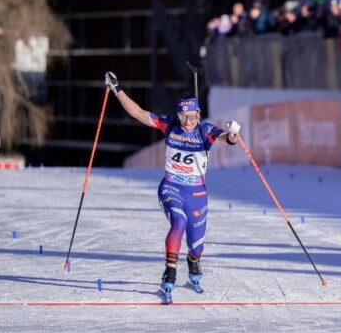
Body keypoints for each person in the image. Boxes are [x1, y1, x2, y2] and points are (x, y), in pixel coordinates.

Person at [103, 71, 242, 297]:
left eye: (191, 116)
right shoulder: (169, 124)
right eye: (183, 116)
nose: (187, 122)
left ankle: (193, 260)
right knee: (179, 221)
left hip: (196, 193)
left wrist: (234, 133)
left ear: (198, 113)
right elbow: (137, 112)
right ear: (178, 114)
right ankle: (170, 271)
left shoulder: (205, 131)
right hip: (171, 187)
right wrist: (116, 88)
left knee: (196, 246)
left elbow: (227, 139)